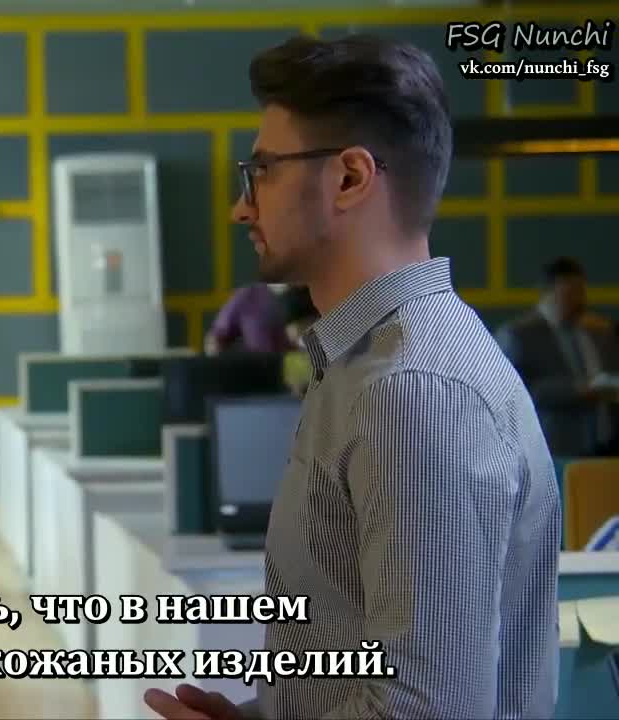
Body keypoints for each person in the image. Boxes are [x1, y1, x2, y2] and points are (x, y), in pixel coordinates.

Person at [144, 33, 560, 719]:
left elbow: (428, 710)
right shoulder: (368, 366)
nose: (241, 206)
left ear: (349, 178)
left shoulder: (412, 391)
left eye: (262, 171)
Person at [495, 257, 619, 457]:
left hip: (604, 444)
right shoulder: (517, 335)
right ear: (548, 292)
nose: (578, 300)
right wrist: (575, 390)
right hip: (553, 448)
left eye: (581, 292)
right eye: (570, 293)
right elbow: (509, 395)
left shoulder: (598, 331)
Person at [204, 283, 292, 355]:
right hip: (247, 367)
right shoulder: (248, 295)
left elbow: (284, 345)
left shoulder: (286, 300)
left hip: (273, 367)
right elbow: (215, 337)